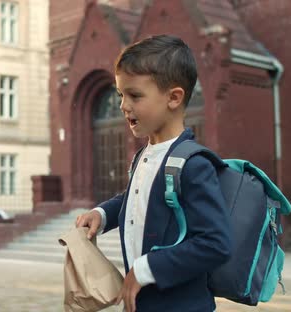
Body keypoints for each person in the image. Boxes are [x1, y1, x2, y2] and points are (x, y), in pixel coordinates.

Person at [75, 35, 232, 312]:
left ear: (173, 98)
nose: (123, 105)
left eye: (134, 95)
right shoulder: (144, 154)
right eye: (121, 95)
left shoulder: (193, 164)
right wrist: (102, 214)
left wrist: (146, 269)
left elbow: (215, 243)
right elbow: (139, 201)